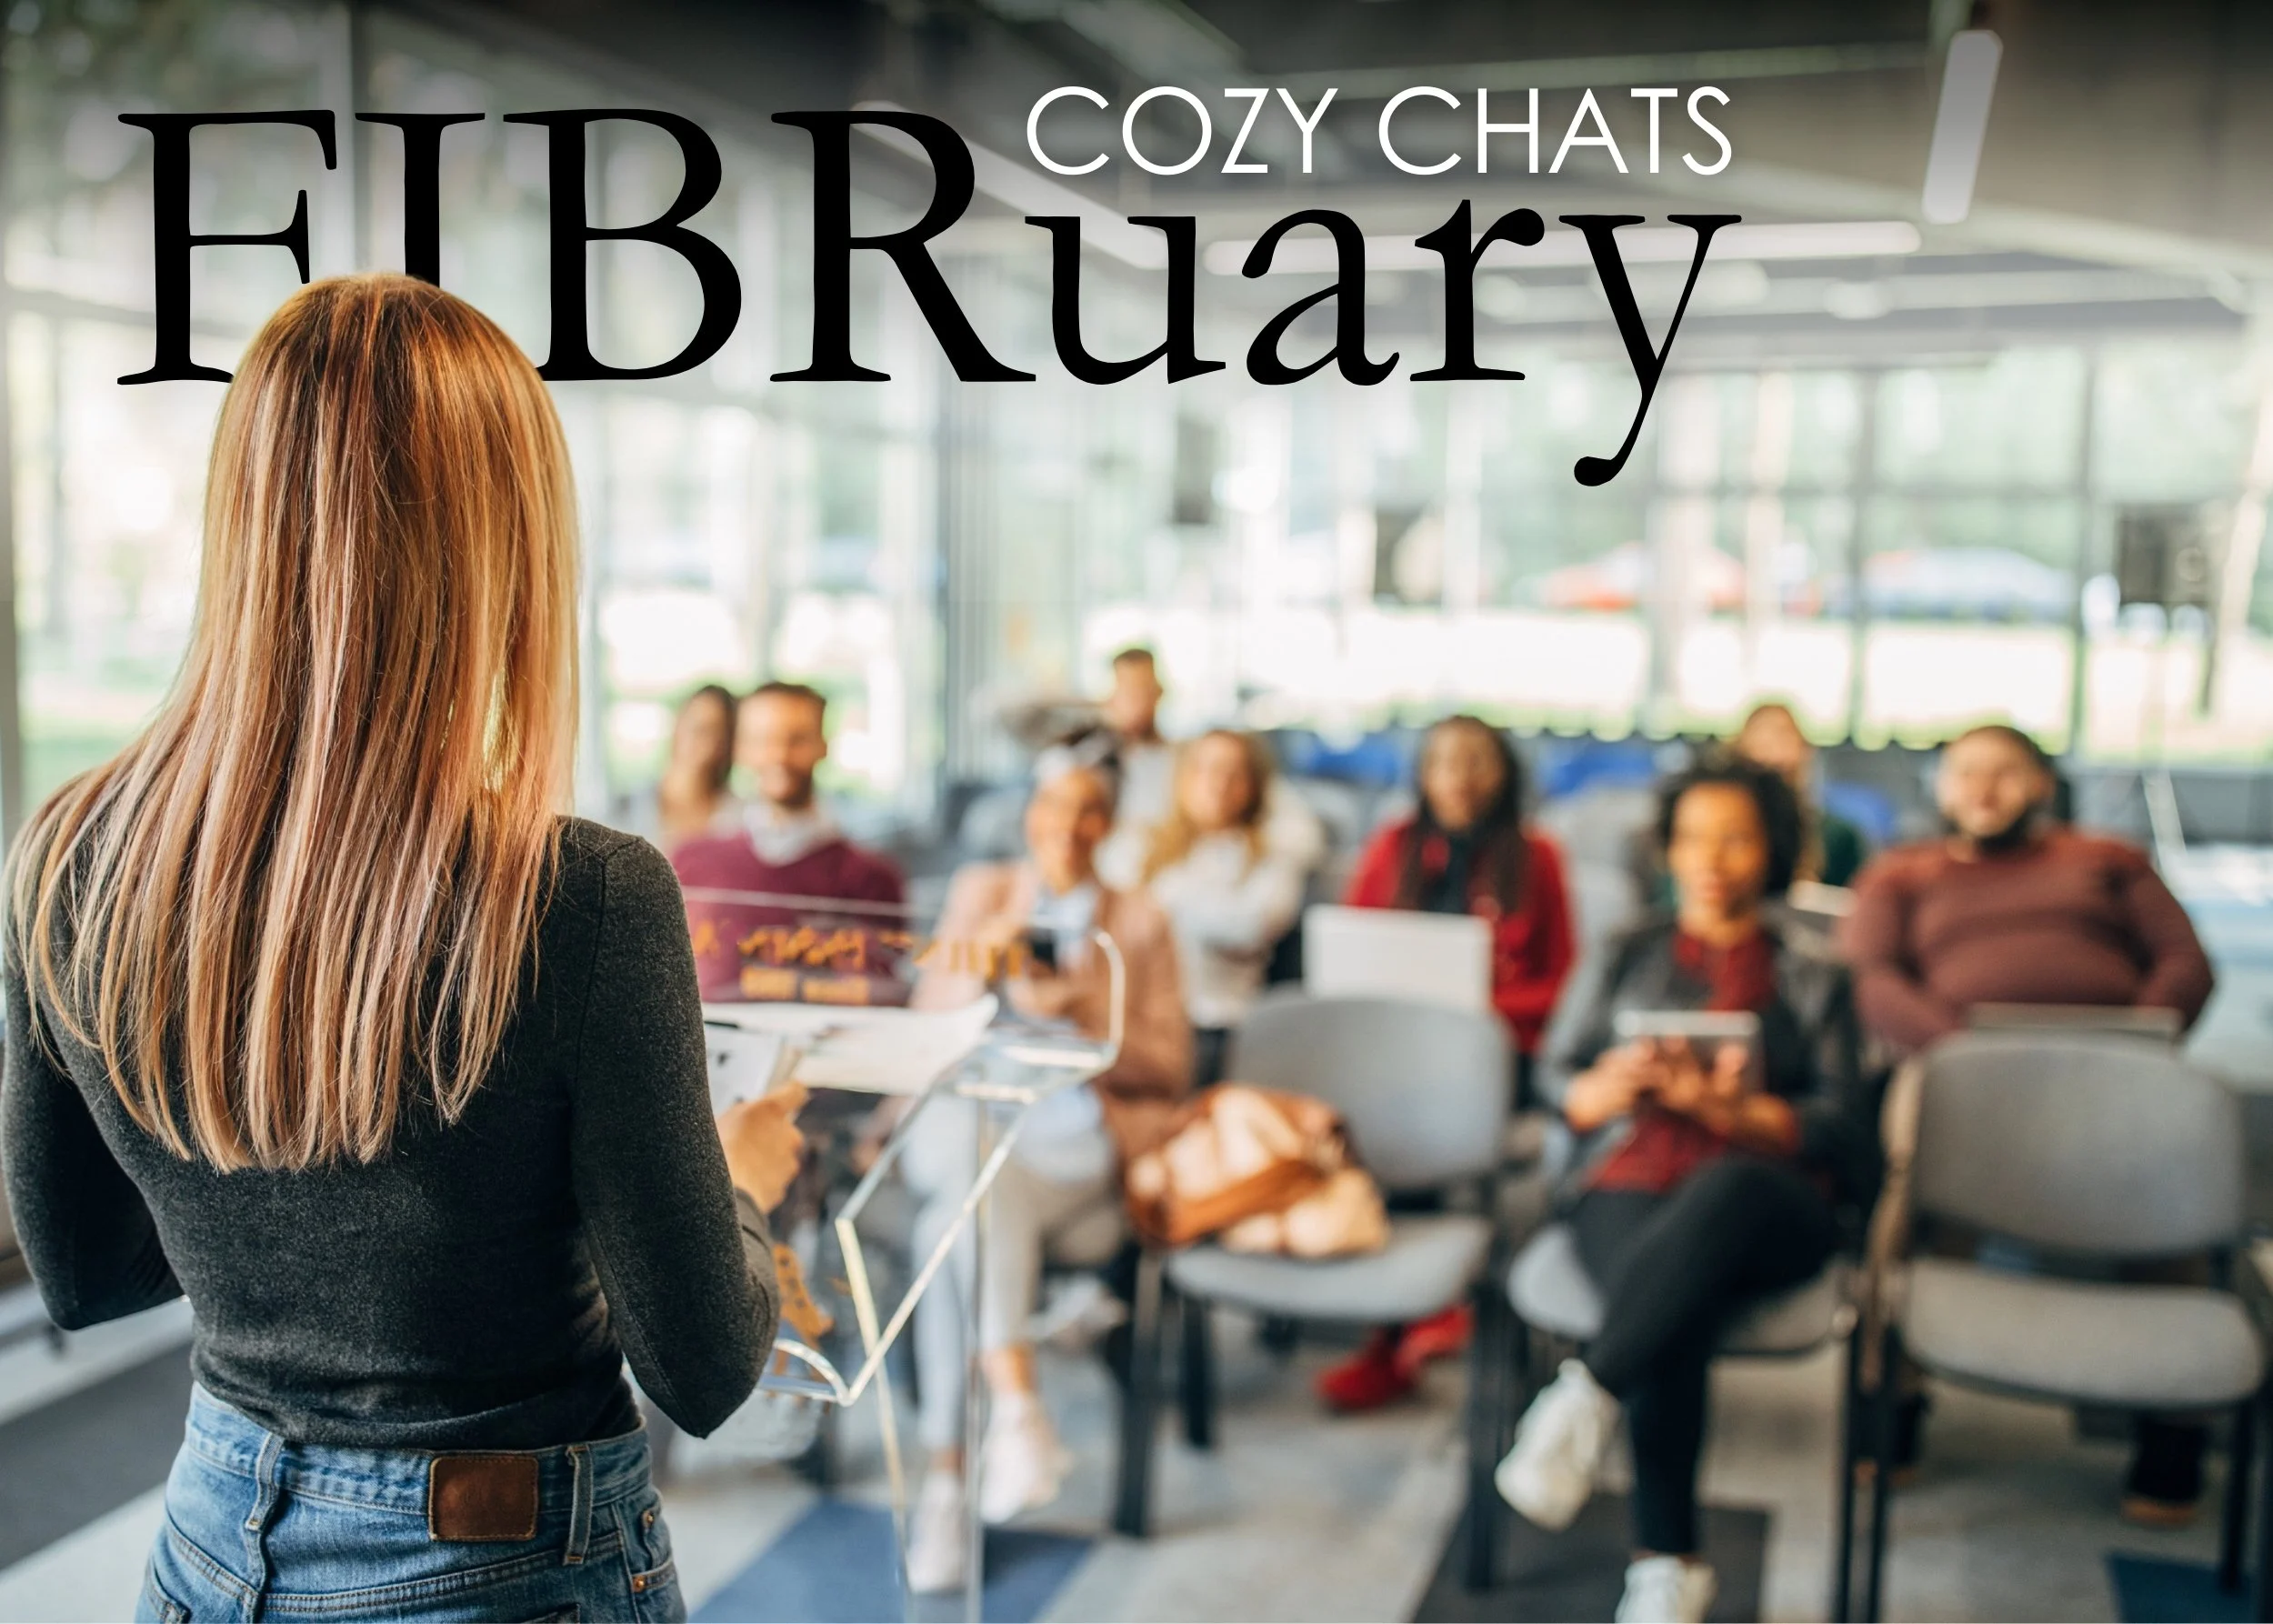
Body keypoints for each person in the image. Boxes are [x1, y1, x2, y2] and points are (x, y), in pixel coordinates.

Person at [0, 275, 805, 1624]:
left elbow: (88, 1270)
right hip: (501, 1565)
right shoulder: (582, 898)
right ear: (509, 546)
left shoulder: (70, 853)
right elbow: (708, 1366)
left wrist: (287, 1233)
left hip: (210, 1537)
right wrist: (741, 1179)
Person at [1497, 756, 1877, 1624]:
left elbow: (1847, 1133)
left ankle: (1588, 1393)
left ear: (1772, 851)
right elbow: (1555, 1076)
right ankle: (1668, 1570)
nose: (1712, 858)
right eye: (1694, 838)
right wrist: (1596, 1093)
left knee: (1723, 1192)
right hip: (1627, 1176)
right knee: (1672, 1297)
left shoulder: (1817, 972)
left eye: (1737, 839)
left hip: (1770, 1198)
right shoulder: (1625, 950)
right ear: (1666, 849)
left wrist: (1735, 1112)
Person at [1842, 720, 2218, 1520]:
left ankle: (2175, 1426)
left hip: (2117, 1067)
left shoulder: (2107, 862)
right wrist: (1978, 1068)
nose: (1984, 788)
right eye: (1965, 771)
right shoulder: (1903, 873)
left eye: (2005, 771)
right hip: (1962, 1073)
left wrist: (2135, 1048)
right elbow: (1874, 981)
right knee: (1909, 1202)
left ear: (2042, 783)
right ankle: (1893, 1400)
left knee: (2176, 1189)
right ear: (1939, 787)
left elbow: (2186, 965)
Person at [900, 753, 1190, 1594]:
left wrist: (1083, 1012)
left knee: (945, 1229)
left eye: (1089, 809)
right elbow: (925, 1024)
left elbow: (1169, 1067)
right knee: (969, 1167)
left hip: (1071, 1142)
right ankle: (1015, 1406)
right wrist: (979, 962)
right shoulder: (984, 890)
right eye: (1052, 805)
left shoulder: (1138, 920)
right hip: (967, 1119)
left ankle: (948, 1487)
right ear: (1028, 811)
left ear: (1111, 824)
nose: (1067, 825)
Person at [1316, 715, 1577, 1412]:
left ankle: (1428, 1313)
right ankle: (1397, 1323)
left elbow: (1564, 986)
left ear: (1504, 774)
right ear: (1423, 776)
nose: (1460, 779)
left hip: (1497, 1057)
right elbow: (1353, 951)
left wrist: (1477, 1004)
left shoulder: (1538, 857)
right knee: (1379, 1113)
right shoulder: (1393, 848)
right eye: (1444, 763)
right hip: (1395, 1053)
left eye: (1477, 763)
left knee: (1430, 1113)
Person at [671, 681, 906, 999]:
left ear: (823, 746)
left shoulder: (872, 878)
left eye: (796, 740)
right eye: (763, 740)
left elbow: (878, 990)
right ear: (740, 749)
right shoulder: (691, 862)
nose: (779, 755)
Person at [1141, 729, 1324, 1088]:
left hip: (1217, 1024)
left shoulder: (1270, 855)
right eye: (1205, 769)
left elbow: (1249, 927)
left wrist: (1164, 901)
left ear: (1255, 786)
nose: (1217, 784)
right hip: (1145, 1018)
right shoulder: (1150, 849)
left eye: (1233, 773)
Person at [1730, 700, 1868, 887]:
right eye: (1764, 742)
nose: (1774, 752)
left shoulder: (1839, 837)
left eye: (1783, 737)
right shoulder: (1719, 831)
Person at [632, 682, 742, 851]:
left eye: (711, 729)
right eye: (692, 723)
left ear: (727, 744)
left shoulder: (739, 819)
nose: (696, 735)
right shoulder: (627, 806)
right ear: (677, 725)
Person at [1097, 646, 1176, 866]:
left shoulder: (1181, 761)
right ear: (1111, 697)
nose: (1137, 701)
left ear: (1160, 692)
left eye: (1144, 689)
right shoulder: (1092, 759)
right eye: (1128, 691)